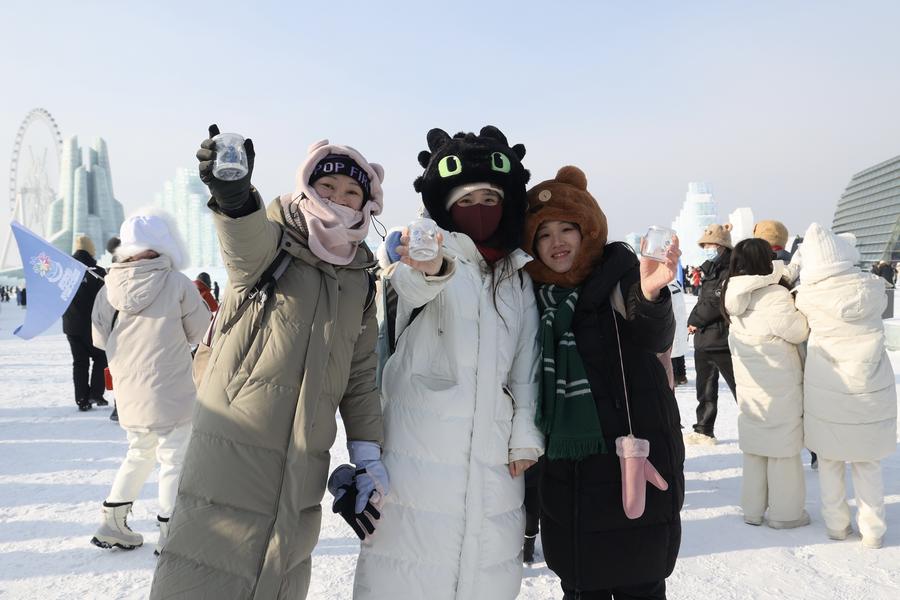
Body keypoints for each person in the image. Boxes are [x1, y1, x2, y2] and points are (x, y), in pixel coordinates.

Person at [150, 127, 387, 599]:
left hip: (306, 452)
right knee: (205, 563)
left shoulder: (360, 277)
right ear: (307, 185)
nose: (338, 198)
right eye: (327, 186)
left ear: (367, 202)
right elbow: (242, 237)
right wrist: (233, 194)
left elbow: (360, 376)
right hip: (235, 440)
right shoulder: (274, 245)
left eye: (351, 191)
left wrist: (368, 454)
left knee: (280, 566)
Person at [353, 126, 543, 600]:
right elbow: (410, 288)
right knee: (410, 563)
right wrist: (429, 267)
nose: (479, 208)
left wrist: (524, 435)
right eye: (467, 198)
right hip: (419, 440)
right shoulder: (428, 251)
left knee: (485, 566)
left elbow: (526, 363)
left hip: (493, 449)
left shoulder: (515, 274)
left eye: (489, 196)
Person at [519, 166, 683, 600]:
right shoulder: (531, 297)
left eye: (567, 229)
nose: (557, 242)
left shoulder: (621, 276)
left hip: (633, 455)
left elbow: (654, 337)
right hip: (569, 473)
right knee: (580, 582)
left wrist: (651, 295)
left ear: (587, 230)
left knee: (642, 580)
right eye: (544, 233)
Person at [90, 209, 210, 553]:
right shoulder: (177, 283)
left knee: (139, 452)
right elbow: (202, 333)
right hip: (172, 389)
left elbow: (98, 340)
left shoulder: (107, 286)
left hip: (130, 392)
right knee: (174, 459)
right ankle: (172, 531)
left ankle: (112, 521)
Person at [793, 223, 897, 549]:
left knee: (830, 461)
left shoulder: (809, 296)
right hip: (870, 385)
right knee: (868, 463)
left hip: (829, 390)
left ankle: (837, 525)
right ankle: (874, 531)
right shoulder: (873, 287)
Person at [722, 238, 810, 529]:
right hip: (780, 386)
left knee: (756, 449)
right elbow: (797, 332)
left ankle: (753, 510)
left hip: (751, 387)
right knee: (783, 451)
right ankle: (786, 514)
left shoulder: (731, 294)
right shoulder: (772, 295)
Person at [685, 223, 737, 445]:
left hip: (721, 338)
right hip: (705, 339)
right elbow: (703, 299)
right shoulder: (710, 267)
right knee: (705, 388)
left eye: (709, 244)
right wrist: (693, 321)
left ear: (721, 245)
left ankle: (760, 423)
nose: (706, 248)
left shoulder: (730, 268)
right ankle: (704, 429)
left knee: (740, 387)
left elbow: (717, 301)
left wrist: (695, 320)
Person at [62, 235, 109, 412]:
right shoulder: (98, 272)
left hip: (71, 325)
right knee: (100, 357)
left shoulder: (65, 270)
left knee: (79, 362)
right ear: (91, 250)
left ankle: (82, 399)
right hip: (94, 325)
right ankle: (95, 393)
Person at [668, 275, 688, 386]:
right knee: (678, 351)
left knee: (673, 352)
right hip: (679, 322)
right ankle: (681, 375)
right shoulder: (677, 284)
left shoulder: (668, 286)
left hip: (673, 322)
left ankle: (675, 377)